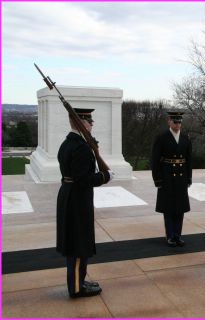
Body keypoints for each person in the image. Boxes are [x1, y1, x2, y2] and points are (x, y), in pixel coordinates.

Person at [57, 108, 114, 298]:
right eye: (89, 121)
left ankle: (79, 282)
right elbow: (83, 179)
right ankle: (76, 287)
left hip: (69, 195)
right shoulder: (80, 147)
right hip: (77, 200)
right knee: (78, 243)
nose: (92, 123)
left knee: (76, 240)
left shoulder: (67, 143)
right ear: (80, 123)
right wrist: (104, 176)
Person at [151, 111, 192, 247]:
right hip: (167, 176)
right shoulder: (162, 137)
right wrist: (157, 179)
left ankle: (178, 235)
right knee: (168, 208)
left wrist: (189, 177)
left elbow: (189, 160)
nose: (178, 124)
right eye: (175, 122)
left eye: (179, 122)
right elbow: (155, 160)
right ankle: (170, 236)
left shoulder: (186, 138)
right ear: (169, 121)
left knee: (180, 208)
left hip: (181, 177)